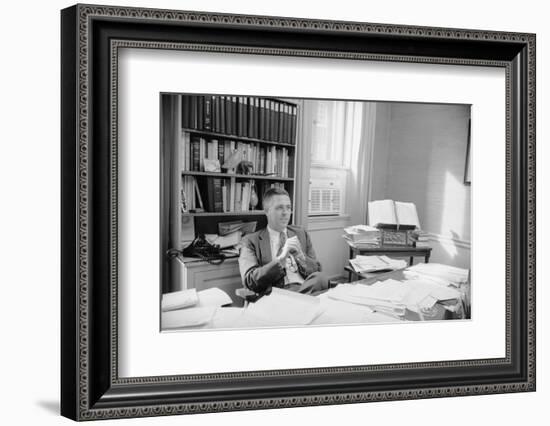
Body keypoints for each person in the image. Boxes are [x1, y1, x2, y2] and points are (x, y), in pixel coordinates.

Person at [238, 188, 329, 296]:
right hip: (277, 292)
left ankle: (301, 300)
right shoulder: (250, 240)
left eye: (288, 207)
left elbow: (317, 269)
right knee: (323, 286)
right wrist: (280, 260)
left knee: (320, 278)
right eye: (279, 208)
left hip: (305, 287)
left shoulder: (301, 233)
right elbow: (249, 281)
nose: (285, 213)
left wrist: (302, 258)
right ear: (266, 211)